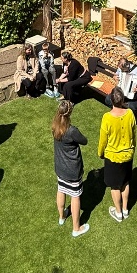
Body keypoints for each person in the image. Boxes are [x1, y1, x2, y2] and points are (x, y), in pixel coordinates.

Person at [51, 99, 90, 238]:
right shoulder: (72, 131)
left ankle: (62, 217)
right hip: (72, 170)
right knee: (75, 196)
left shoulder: (54, 126)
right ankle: (76, 228)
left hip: (60, 167)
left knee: (61, 190)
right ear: (69, 113)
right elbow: (84, 141)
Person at [98, 86, 136, 222]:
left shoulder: (107, 117)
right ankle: (125, 209)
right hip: (127, 154)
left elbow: (103, 140)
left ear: (111, 100)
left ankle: (118, 213)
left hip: (113, 156)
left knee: (115, 186)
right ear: (123, 100)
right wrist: (133, 148)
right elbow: (133, 134)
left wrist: (100, 153)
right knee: (125, 182)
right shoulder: (130, 113)